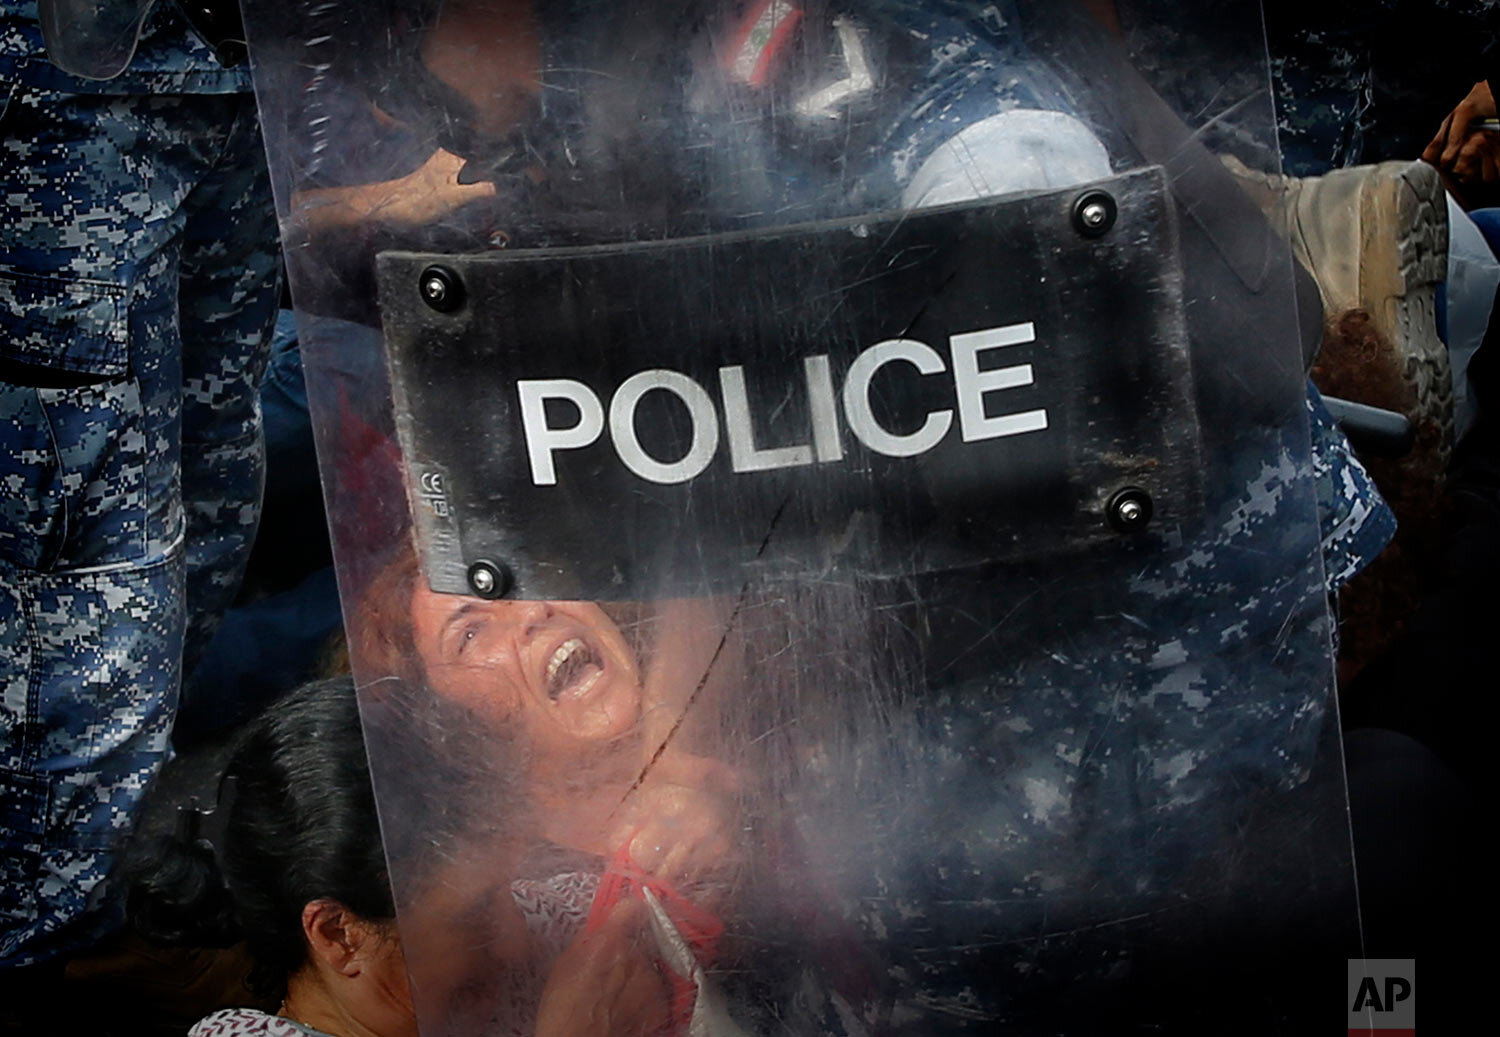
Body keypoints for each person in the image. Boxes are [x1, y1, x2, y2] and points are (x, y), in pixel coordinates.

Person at [1, 0, 280, 970]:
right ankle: (46, 950)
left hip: (254, 72)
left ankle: (111, 884)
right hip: (74, 83)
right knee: (88, 578)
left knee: (209, 507)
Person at [125, 675, 676, 1037]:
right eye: (473, 917)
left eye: (509, 886)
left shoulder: (522, 935)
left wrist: (691, 852)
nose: (512, 938)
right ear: (339, 934)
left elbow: (643, 901)